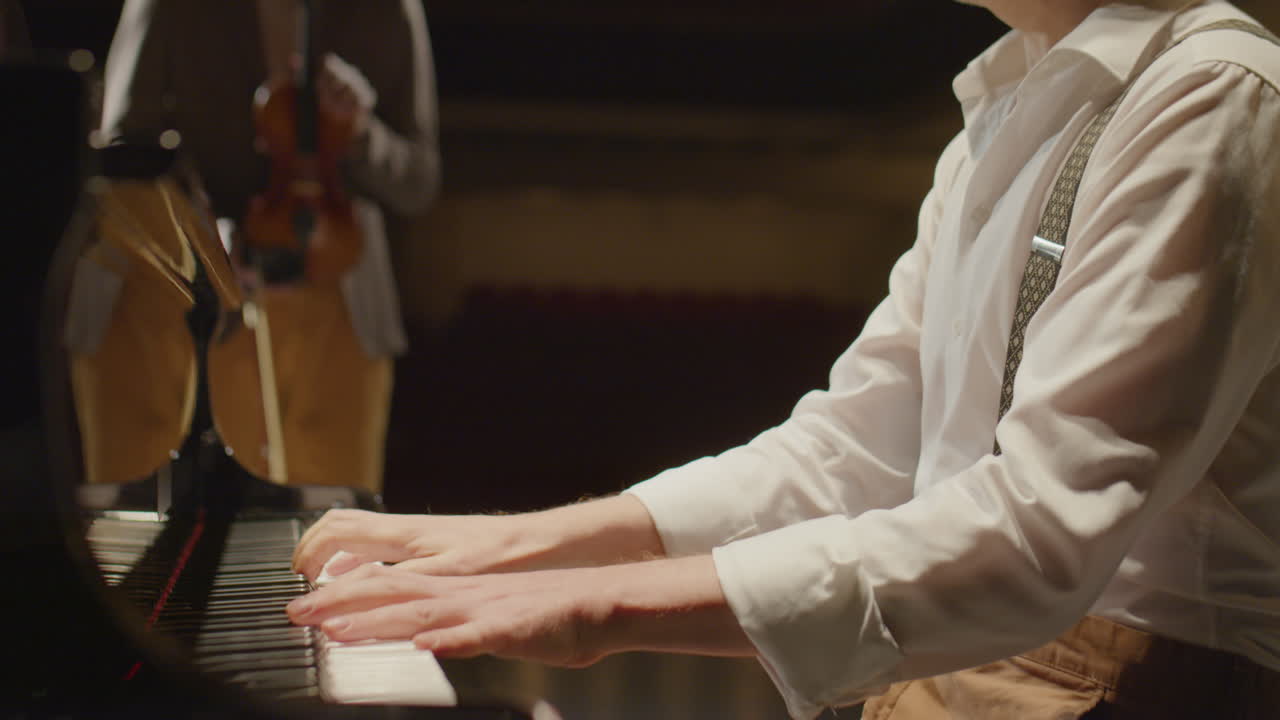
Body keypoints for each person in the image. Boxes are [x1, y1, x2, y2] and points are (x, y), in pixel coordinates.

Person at [287, 0, 1280, 717]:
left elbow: (1034, 536)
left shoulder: (1210, 93)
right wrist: (521, 546)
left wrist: (586, 606)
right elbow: (853, 449)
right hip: (989, 673)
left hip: (1148, 681)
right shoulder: (1014, 97)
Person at [91, 0, 440, 491]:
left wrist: (360, 131)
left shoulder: (390, 10)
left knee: (335, 529)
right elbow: (123, 156)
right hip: (194, 306)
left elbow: (419, 182)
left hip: (342, 306)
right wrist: (204, 239)